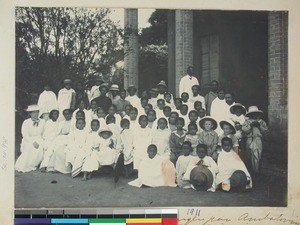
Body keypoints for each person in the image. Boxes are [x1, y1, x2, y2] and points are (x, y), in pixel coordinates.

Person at [15, 105, 45, 172]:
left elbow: (43, 133)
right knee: (30, 147)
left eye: (37, 112)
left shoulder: (42, 121)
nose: (36, 114)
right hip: (29, 139)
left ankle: (34, 164)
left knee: (40, 146)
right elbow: (25, 134)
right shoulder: (26, 122)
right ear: (30, 113)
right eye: (33, 112)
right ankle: (25, 165)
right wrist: (32, 142)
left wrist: (43, 139)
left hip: (39, 138)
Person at [242, 106, 268, 173]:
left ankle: (256, 169)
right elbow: (244, 130)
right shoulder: (247, 122)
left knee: (257, 154)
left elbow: (265, 131)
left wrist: (259, 126)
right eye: (252, 114)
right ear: (250, 115)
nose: (254, 115)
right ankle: (250, 168)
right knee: (249, 154)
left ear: (258, 114)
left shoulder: (261, 122)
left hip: (258, 139)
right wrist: (250, 126)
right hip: (249, 139)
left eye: (256, 113)